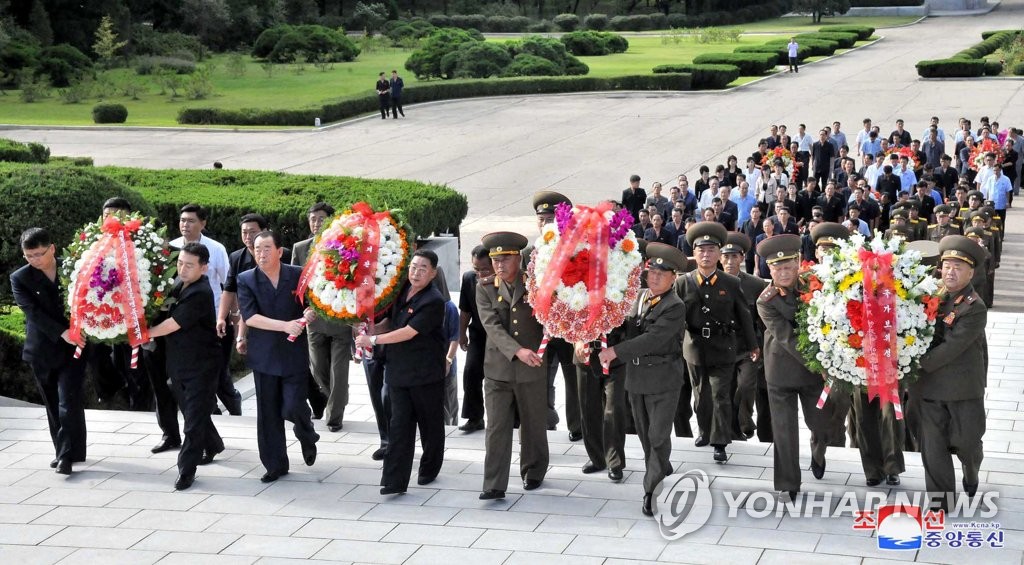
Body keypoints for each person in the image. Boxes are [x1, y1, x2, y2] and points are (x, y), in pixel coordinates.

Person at [598, 243, 688, 516]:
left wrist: (615, 352)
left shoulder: (675, 306)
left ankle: (650, 490)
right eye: (651, 272)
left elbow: (653, 338)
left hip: (663, 379)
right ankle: (659, 466)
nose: (654, 277)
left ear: (673, 277)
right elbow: (620, 323)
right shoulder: (637, 298)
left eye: (662, 274)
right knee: (646, 436)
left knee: (657, 435)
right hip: (637, 379)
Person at [355, 250, 447, 494]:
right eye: (414, 267)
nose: (416, 273)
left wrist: (373, 340)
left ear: (433, 273)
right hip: (398, 371)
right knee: (399, 426)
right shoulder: (401, 289)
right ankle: (394, 482)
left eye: (423, 269)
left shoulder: (433, 300)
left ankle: (429, 468)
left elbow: (408, 332)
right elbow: (392, 323)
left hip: (426, 374)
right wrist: (367, 328)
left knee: (430, 425)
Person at [909, 236, 988, 511]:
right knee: (933, 446)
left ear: (971, 273)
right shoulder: (928, 294)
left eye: (958, 267)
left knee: (966, 442)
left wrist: (913, 362)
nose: (951, 272)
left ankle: (971, 467)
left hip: (962, 387)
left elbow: (953, 347)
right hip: (929, 388)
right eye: (947, 265)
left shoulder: (974, 306)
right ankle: (940, 502)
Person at [236, 230, 319, 483]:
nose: (261, 254)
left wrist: (310, 313)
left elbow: (313, 303)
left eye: (266, 249)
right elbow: (251, 317)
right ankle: (275, 465)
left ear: (279, 251)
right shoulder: (246, 279)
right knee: (268, 413)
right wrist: (285, 325)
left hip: (294, 353)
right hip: (265, 355)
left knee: (293, 405)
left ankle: (306, 434)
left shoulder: (297, 274)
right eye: (257, 249)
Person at [756, 234, 831, 500]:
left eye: (788, 266)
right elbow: (787, 337)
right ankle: (789, 482)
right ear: (769, 269)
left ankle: (818, 449)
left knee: (821, 425)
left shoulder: (815, 285)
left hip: (814, 374)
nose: (783, 273)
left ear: (798, 263)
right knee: (784, 429)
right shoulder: (766, 300)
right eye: (777, 268)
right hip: (782, 370)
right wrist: (820, 364)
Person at [147, 243, 225, 490]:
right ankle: (213, 444)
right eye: (180, 263)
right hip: (178, 363)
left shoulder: (201, 291)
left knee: (191, 422)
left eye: (189, 265)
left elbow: (174, 323)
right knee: (194, 412)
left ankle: (186, 471)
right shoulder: (180, 285)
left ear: (204, 268)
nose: (182, 268)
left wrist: (145, 333)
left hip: (201, 366)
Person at [476, 232, 548, 500]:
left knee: (533, 423)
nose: (499, 265)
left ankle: (533, 471)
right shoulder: (484, 286)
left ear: (518, 258)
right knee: (496, 427)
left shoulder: (536, 284)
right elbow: (491, 325)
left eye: (505, 259)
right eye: (495, 259)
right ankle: (493, 483)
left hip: (532, 367)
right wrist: (517, 351)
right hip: (498, 368)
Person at [678, 222, 757, 463]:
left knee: (721, 394)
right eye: (701, 250)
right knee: (701, 395)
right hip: (695, 347)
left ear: (718, 254)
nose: (706, 254)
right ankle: (704, 430)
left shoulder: (730, 283)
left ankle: (720, 441)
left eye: (711, 250)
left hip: (724, 347)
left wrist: (753, 345)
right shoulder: (683, 282)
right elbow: (676, 317)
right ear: (694, 253)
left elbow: (744, 314)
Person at [11, 228, 87, 475]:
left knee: (69, 400)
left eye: (39, 254)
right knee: (53, 404)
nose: (34, 260)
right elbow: (32, 312)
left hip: (75, 347)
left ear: (52, 248)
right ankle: (66, 450)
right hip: (42, 349)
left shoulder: (74, 267)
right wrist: (62, 332)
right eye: (29, 256)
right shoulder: (20, 278)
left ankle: (66, 456)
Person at [292, 203, 352, 433]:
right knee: (318, 370)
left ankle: (334, 416)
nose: (316, 223)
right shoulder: (301, 248)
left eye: (320, 219)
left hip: (339, 320)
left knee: (339, 370)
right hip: (314, 319)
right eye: (312, 219)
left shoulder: (343, 246)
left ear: (330, 221)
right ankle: (337, 398)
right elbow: (296, 285)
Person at [218, 213, 286, 417]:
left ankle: (311, 403)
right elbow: (229, 289)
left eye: (252, 232)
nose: (248, 236)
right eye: (244, 232)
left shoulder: (283, 254)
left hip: (284, 322)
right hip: (255, 322)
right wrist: (222, 317)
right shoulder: (237, 258)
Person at [528, 191, 582, 437]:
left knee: (573, 379)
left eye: (551, 219)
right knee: (542, 379)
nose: (545, 224)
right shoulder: (529, 251)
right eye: (542, 220)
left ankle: (576, 425)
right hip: (540, 329)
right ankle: (546, 419)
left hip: (570, 329)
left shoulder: (576, 249)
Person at [719, 233, 767, 441]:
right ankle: (734, 429)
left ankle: (745, 420)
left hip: (748, 348)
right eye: (726, 257)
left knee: (746, 385)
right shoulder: (713, 281)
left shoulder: (755, 285)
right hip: (721, 348)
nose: (730, 262)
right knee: (726, 391)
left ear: (742, 258)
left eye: (734, 257)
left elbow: (763, 321)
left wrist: (761, 348)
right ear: (720, 259)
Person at [458, 245, 492, 432]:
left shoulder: (503, 280)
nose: (480, 274)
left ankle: (513, 419)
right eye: (476, 269)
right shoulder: (469, 279)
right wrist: (461, 333)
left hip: (500, 335)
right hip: (478, 333)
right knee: (471, 372)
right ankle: (475, 417)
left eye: (484, 269)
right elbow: (465, 310)